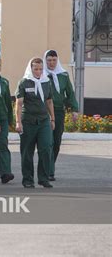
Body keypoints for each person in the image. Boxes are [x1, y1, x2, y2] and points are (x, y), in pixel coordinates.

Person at [15, 58, 55, 188]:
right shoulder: (24, 82)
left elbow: (49, 101)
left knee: (46, 148)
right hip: (28, 121)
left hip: (43, 121)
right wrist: (18, 122)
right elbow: (19, 104)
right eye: (35, 69)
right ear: (30, 69)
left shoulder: (46, 82)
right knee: (27, 151)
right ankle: (28, 179)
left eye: (40, 69)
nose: (38, 72)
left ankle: (43, 178)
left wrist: (52, 119)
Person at [43, 50, 78, 181]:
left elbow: (70, 93)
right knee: (48, 142)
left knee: (56, 142)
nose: (52, 63)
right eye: (49, 60)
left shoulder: (63, 75)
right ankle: (49, 171)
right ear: (45, 61)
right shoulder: (42, 75)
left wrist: (74, 109)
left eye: (54, 60)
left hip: (59, 112)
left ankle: (50, 167)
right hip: (44, 113)